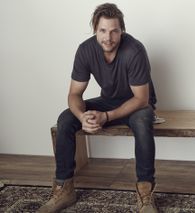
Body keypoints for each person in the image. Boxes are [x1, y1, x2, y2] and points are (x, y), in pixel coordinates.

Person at [38, 3, 158, 213]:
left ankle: (145, 193)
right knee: (66, 119)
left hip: (136, 105)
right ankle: (64, 188)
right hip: (108, 100)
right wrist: (82, 116)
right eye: (103, 31)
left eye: (114, 31)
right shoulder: (85, 50)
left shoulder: (135, 50)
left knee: (141, 120)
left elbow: (141, 99)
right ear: (95, 29)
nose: (108, 38)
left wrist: (106, 116)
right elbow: (74, 94)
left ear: (122, 30)